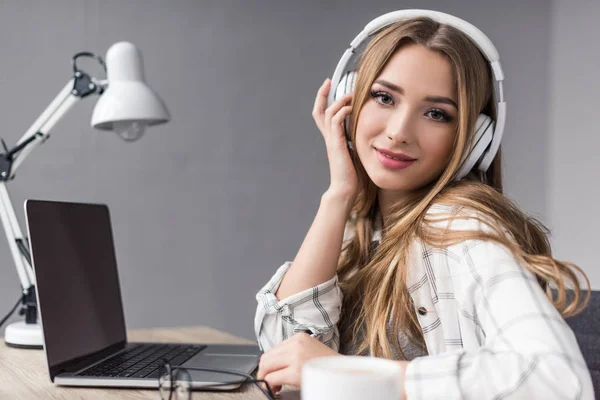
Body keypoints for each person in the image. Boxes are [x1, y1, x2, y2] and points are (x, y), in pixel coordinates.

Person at [253, 10, 593, 400]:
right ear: (349, 104)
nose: (398, 132)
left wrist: (357, 373)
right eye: (384, 97)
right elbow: (284, 357)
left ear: (472, 139)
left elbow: (556, 379)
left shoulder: (461, 227)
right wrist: (338, 195)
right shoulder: (368, 226)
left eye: (436, 113)